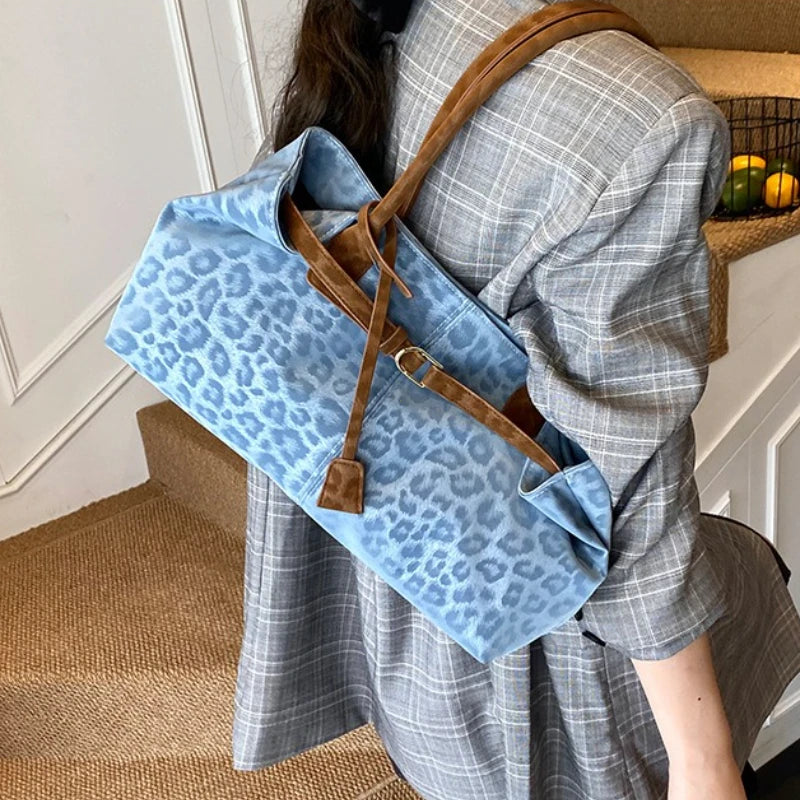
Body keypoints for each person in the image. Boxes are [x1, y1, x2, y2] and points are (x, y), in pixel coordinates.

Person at [232, 1, 800, 798]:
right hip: (540, 689)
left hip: (400, 622)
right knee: (754, 583)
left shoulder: (396, 16)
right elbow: (627, 498)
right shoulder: (645, 118)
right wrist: (703, 760)